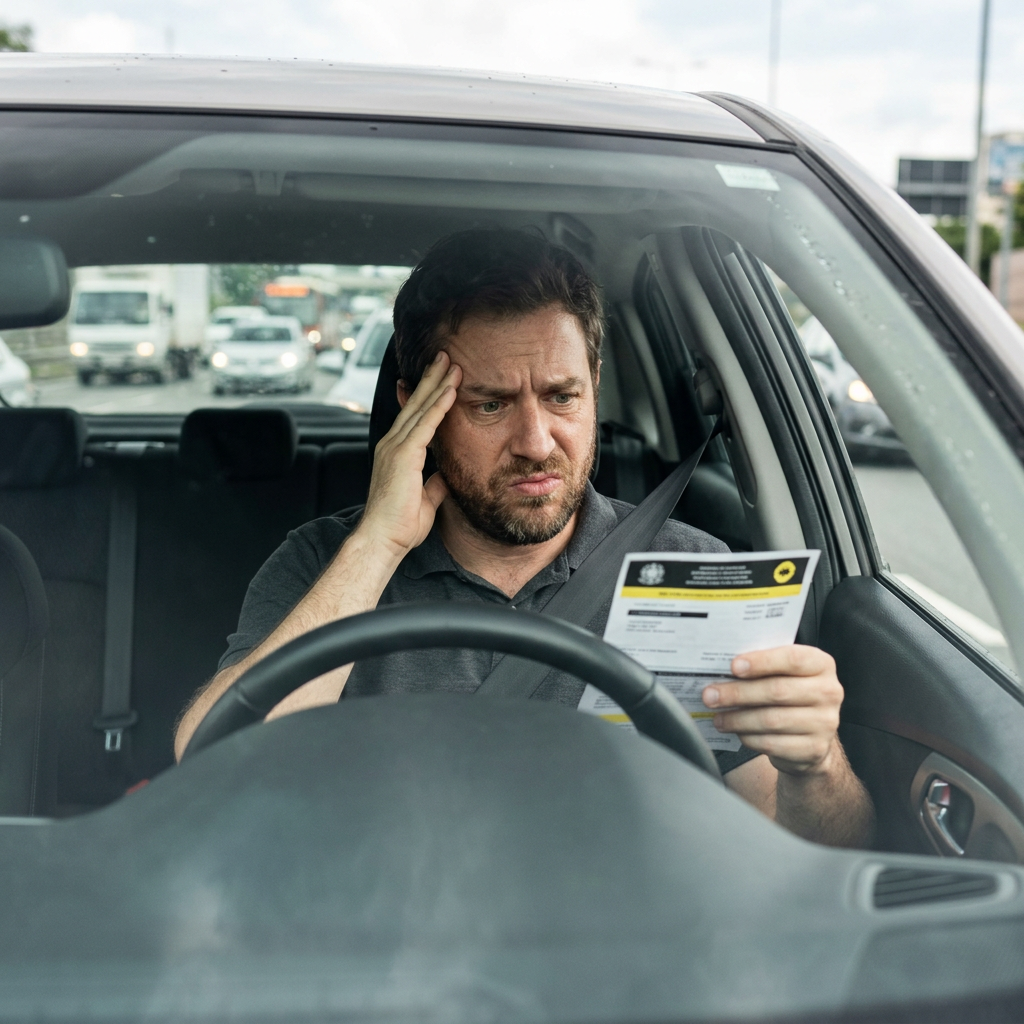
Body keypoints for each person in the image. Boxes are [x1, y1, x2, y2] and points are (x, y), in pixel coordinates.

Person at [175, 229, 874, 847]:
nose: (537, 443)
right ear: (416, 410)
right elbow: (211, 770)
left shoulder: (693, 572)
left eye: (562, 396)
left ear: (594, 384)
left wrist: (814, 766)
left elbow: (806, 854)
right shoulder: (322, 566)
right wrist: (378, 545)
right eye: (491, 404)